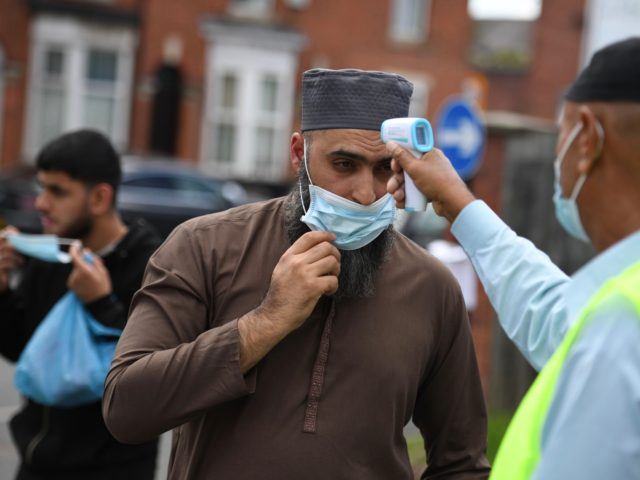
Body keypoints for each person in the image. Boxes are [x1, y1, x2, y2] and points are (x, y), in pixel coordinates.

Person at [102, 68, 490, 479]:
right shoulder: (205, 247)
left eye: (383, 169)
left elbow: (461, 463)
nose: (364, 193)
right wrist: (264, 323)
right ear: (297, 153)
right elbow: (126, 410)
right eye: (344, 163)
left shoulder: (432, 288)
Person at [386, 37, 640, 480]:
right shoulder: (622, 303)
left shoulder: (622, 326)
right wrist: (459, 205)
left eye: (561, 133)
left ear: (588, 138)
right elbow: (554, 317)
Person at [0, 130, 161, 479]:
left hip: (113, 469)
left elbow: (152, 380)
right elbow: (20, 349)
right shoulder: (51, 254)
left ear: (100, 197)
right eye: (41, 188)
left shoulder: (152, 264)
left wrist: (101, 304)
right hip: (36, 465)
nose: (41, 203)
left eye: (57, 191)